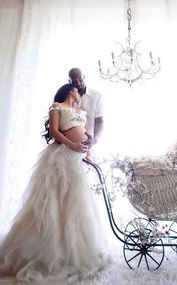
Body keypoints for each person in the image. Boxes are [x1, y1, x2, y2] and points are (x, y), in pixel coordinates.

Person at [0, 84, 108, 283]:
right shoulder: (57, 107)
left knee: (76, 203)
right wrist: (74, 144)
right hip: (61, 158)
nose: (79, 93)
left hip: (76, 159)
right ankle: (50, 253)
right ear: (69, 91)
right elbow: (55, 132)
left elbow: (81, 130)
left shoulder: (78, 110)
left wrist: (86, 147)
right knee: (53, 202)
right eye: (76, 90)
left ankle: (71, 252)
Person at [68, 68, 103, 155]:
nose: (79, 83)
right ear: (69, 81)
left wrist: (94, 140)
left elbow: (99, 121)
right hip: (67, 145)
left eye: (80, 79)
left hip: (88, 146)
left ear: (84, 77)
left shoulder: (97, 96)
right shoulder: (65, 96)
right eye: (75, 81)